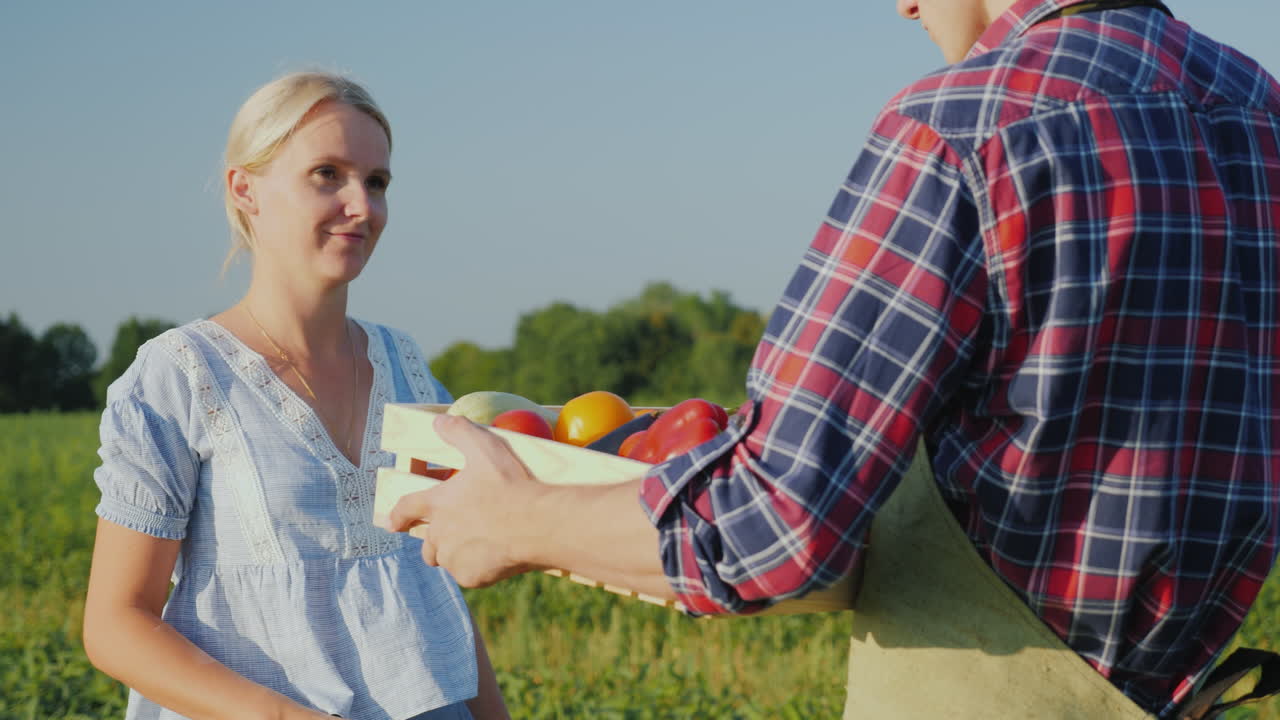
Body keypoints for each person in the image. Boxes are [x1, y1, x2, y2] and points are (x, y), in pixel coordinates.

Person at [387, 1, 1280, 718]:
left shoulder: (962, 126)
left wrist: (517, 520)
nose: (904, 7)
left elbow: (773, 525)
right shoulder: (1261, 110)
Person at [82, 71, 509, 720]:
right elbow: (115, 623)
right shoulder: (182, 377)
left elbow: (432, 585)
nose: (361, 206)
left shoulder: (406, 369)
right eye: (326, 174)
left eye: (376, 182)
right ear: (245, 189)